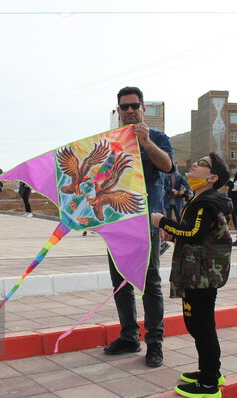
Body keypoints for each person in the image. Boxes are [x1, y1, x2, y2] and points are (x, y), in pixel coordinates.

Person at [102, 86, 174, 367]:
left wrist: (146, 143)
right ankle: (129, 335)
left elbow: (167, 167)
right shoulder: (108, 142)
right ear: (118, 111)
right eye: (124, 107)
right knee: (120, 280)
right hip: (116, 220)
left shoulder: (157, 138)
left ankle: (154, 342)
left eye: (135, 105)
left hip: (146, 221)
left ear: (143, 108)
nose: (130, 111)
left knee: (151, 282)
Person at [151, 153, 231, 398]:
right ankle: (210, 372)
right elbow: (196, 235)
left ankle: (209, 383)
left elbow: (194, 233)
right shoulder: (201, 199)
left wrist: (162, 222)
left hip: (202, 275)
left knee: (201, 326)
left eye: (202, 164)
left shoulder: (206, 202)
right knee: (199, 324)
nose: (194, 164)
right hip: (198, 272)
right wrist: (174, 234)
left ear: (212, 177)